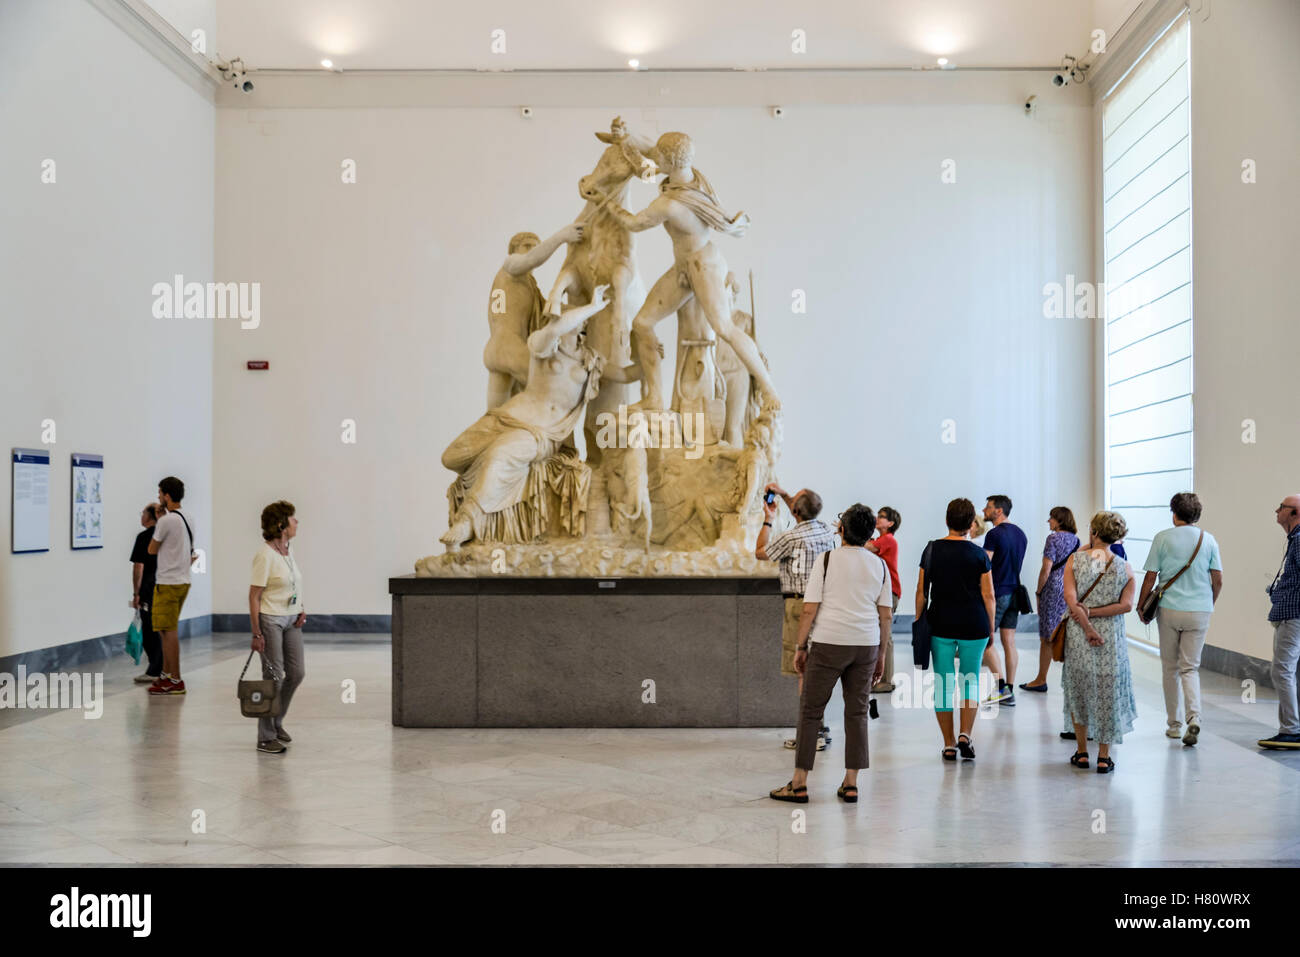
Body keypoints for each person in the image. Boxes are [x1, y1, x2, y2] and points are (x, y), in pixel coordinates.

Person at [608, 131, 779, 411]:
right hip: (684, 267)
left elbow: (634, 223)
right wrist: (626, 136)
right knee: (642, 323)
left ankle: (768, 389)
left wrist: (610, 205)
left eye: (660, 158)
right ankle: (654, 397)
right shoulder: (692, 177)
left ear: (669, 162)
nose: (655, 159)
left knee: (724, 326)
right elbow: (652, 151)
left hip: (703, 265)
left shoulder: (669, 204)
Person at [768, 505, 892, 803]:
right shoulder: (879, 565)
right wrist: (881, 655)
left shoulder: (826, 561)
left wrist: (800, 647)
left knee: (811, 711)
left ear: (841, 529)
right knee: (857, 712)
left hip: (828, 642)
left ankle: (799, 783)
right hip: (865, 644)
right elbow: (885, 614)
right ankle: (850, 783)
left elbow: (809, 609)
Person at [1137, 492, 1223, 746]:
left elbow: (1151, 577)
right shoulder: (1208, 540)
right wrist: (1208, 602)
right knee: (1190, 667)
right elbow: (1218, 580)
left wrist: (1142, 606)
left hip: (1170, 609)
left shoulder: (1162, 538)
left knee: (1170, 667)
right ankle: (1194, 717)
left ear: (1174, 513)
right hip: (1200, 610)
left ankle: (1174, 725)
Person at [757, 483, 835, 750]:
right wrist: (784, 494)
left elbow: (761, 552)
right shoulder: (825, 530)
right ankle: (819, 728)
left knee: (803, 670)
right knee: (816, 670)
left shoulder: (790, 538)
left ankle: (809, 735)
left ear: (796, 512)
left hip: (798, 607)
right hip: (824, 605)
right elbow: (804, 510)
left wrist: (768, 520)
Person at [916, 498, 994, 762]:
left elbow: (921, 592)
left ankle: (948, 744)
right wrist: (991, 628)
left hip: (941, 624)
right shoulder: (979, 554)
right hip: (975, 624)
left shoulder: (932, 550)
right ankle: (965, 735)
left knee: (944, 684)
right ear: (971, 523)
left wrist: (919, 623)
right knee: (970, 680)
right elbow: (989, 596)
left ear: (947, 520)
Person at [1061, 511, 1137, 773]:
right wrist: (1096, 617)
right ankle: (1104, 756)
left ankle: (1082, 752)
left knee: (1079, 689)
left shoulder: (1075, 561)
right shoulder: (1124, 567)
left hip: (1080, 634)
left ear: (1093, 532)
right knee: (1107, 691)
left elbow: (1071, 599)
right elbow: (1126, 605)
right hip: (1110, 638)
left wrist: (1087, 623)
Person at [484, 224, 585, 410]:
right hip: (510, 347)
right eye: (527, 245)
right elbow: (531, 259)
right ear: (513, 250)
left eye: (536, 245)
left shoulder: (526, 284)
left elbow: (546, 314)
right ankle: (561, 440)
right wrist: (562, 236)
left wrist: (584, 311)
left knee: (494, 419)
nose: (533, 250)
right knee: (549, 392)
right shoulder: (510, 265)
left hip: (497, 349)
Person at [249, 501, 307, 754]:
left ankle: (277, 721)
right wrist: (256, 633)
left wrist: (301, 605)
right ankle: (265, 736)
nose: (297, 523)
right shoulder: (265, 555)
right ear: (282, 524)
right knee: (273, 677)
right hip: (270, 619)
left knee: (296, 673)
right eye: (293, 519)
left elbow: (292, 581)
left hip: (292, 618)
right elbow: (254, 596)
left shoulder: (287, 549)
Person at [1020, 507, 1080, 693]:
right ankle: (1072, 681)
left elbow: (1046, 568)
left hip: (1053, 588)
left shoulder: (1053, 539)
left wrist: (1038, 591)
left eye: (1051, 518)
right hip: (1070, 587)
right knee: (1066, 632)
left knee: (1046, 636)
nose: (1049, 521)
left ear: (1059, 520)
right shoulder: (1076, 540)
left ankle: (1041, 679)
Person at [146, 476, 195, 696]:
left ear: (167, 495)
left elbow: (151, 549)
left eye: (159, 493)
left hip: (167, 582)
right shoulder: (188, 517)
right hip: (183, 580)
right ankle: (166, 675)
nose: (158, 497)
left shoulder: (166, 522)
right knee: (167, 630)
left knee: (168, 631)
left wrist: (158, 520)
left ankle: (175, 679)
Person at [1260, 494, 1300, 750]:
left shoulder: (1299, 541)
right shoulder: (1294, 540)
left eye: (1282, 508)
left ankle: (1291, 730)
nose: (1277, 510)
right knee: (1294, 672)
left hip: (1293, 616)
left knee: (1282, 670)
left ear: (1294, 512)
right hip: (1291, 614)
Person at [981, 494, 1027, 705]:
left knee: (986, 640)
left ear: (998, 510)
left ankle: (1001, 688)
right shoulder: (1020, 534)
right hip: (1015, 592)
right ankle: (1009, 687)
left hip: (997, 593)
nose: (984, 510)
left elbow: (984, 565)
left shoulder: (993, 534)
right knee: (1009, 642)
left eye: (988, 507)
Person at [867, 506, 902, 694]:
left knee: (885, 636)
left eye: (881, 517)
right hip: (885, 592)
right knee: (883, 635)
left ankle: (886, 680)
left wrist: (848, 531)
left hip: (890, 592)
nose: (877, 519)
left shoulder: (887, 540)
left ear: (890, 523)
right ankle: (883, 678)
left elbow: (865, 547)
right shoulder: (882, 539)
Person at [129, 503, 164, 684]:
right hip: (165, 585)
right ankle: (163, 668)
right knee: (162, 628)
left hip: (148, 588)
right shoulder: (165, 536)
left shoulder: (144, 537)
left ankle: (155, 669)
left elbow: (138, 566)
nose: (141, 515)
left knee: (150, 630)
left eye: (143, 512)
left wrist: (136, 593)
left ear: (150, 516)